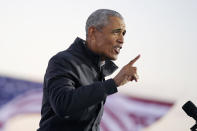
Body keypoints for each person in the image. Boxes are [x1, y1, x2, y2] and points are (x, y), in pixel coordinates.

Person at [37, 9, 140, 131]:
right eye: (116, 32)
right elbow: (63, 104)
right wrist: (113, 83)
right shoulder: (63, 61)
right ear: (92, 32)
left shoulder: (98, 69)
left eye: (123, 33)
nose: (122, 40)